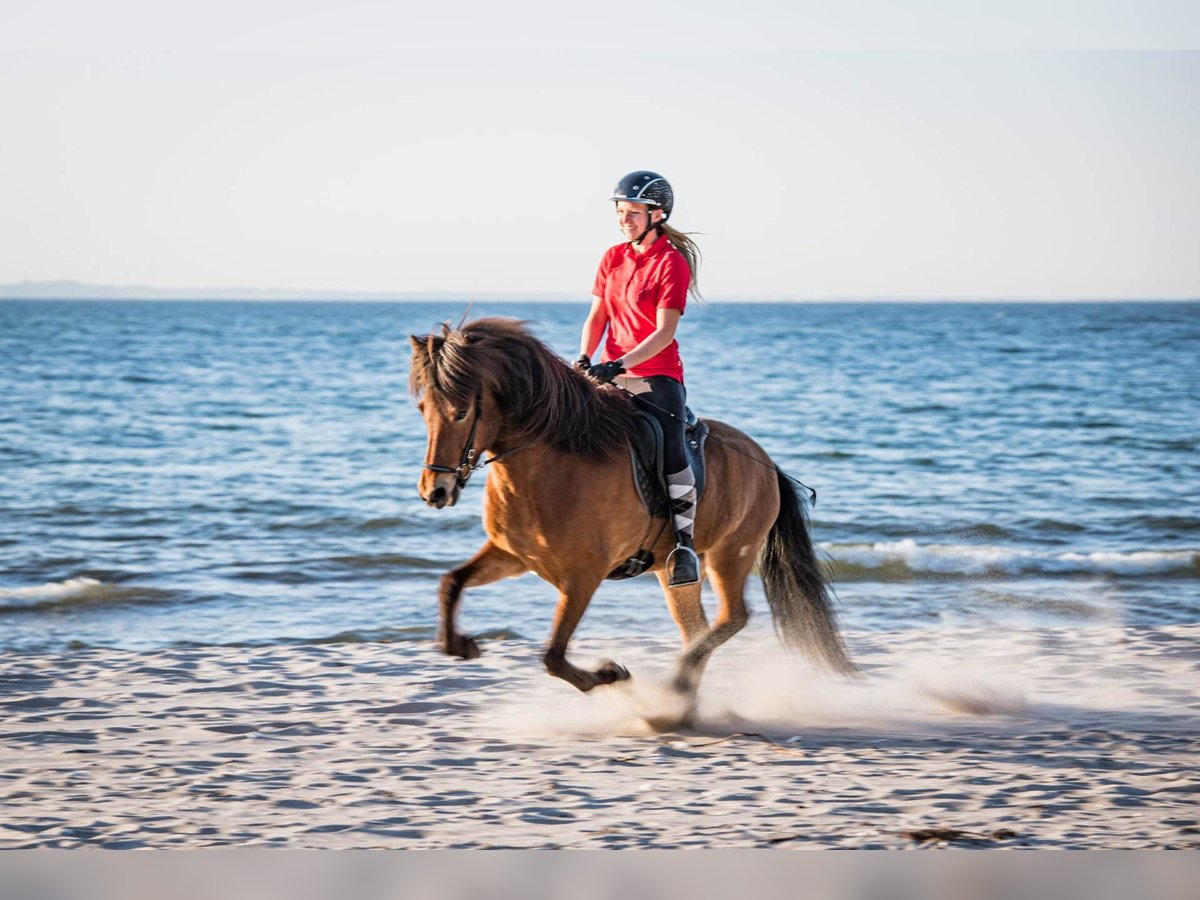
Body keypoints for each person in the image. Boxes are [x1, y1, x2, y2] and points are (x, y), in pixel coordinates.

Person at [575, 170, 703, 588]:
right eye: (619, 211)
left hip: (656, 376)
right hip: (610, 372)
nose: (623, 219)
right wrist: (584, 357)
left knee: (669, 445)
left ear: (657, 214)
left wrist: (620, 364)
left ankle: (684, 545)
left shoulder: (672, 263)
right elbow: (598, 316)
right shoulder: (612, 257)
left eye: (632, 212)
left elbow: (664, 332)